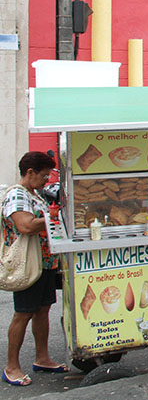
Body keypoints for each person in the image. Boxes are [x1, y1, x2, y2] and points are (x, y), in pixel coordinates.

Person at [2, 151, 68, 386]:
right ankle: (12, 367)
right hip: (28, 264)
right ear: (30, 172)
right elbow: (25, 226)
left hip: (44, 262)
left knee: (42, 310)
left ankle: (42, 358)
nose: (46, 180)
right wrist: (54, 218)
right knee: (23, 314)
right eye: (44, 175)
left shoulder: (34, 194)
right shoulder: (17, 195)